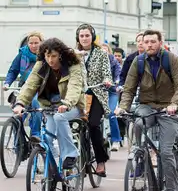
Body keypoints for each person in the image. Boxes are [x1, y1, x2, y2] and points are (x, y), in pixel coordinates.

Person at [116, 29, 178, 191]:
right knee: (137, 123)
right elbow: (129, 88)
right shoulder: (138, 62)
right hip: (146, 105)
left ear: (160, 42)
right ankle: (140, 156)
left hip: (168, 108)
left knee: (165, 152)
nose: (149, 45)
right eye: (146, 42)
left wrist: (174, 104)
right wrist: (123, 106)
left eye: (152, 42)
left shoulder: (171, 59)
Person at [13, 38, 83, 171]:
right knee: (47, 139)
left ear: (60, 55)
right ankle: (52, 171)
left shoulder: (72, 65)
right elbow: (31, 84)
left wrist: (67, 104)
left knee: (59, 117)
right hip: (50, 105)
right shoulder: (41, 65)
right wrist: (20, 103)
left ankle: (70, 154)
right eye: (47, 56)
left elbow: (75, 86)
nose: (50, 60)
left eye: (54, 56)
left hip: (72, 105)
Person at [75, 24, 113, 175]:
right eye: (82, 36)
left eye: (87, 35)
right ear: (78, 38)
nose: (84, 38)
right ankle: (77, 157)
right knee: (73, 125)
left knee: (93, 125)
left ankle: (100, 161)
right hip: (78, 95)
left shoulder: (101, 53)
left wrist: (107, 81)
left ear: (93, 37)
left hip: (96, 93)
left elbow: (107, 72)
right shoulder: (73, 54)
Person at [3, 31, 44, 137]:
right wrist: (7, 83)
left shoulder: (45, 55)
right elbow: (13, 70)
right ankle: (18, 143)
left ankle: (35, 134)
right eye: (31, 43)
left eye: (36, 43)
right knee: (18, 113)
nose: (33, 46)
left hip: (40, 88)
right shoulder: (22, 54)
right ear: (27, 43)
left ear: (41, 43)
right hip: (24, 86)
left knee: (36, 103)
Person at [99, 41, 123, 151]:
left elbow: (118, 73)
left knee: (112, 113)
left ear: (109, 52)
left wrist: (117, 82)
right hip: (98, 91)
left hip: (112, 91)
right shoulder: (95, 62)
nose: (103, 53)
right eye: (101, 51)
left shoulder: (114, 62)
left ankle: (116, 140)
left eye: (105, 51)